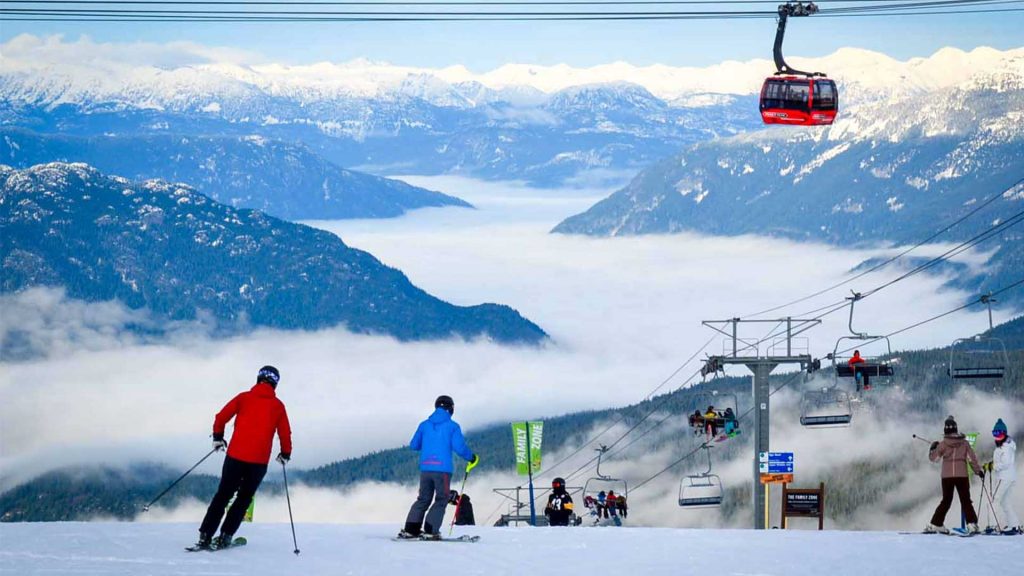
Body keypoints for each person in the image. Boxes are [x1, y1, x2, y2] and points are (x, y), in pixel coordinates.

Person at [195, 366, 291, 550]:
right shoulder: (278, 406)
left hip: (235, 457)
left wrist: (217, 437)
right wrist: (285, 453)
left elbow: (221, 417)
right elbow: (285, 433)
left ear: (258, 379)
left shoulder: (243, 398)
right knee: (243, 498)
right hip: (258, 462)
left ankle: (205, 536)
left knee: (223, 495)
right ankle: (225, 537)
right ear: (275, 384)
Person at [399, 395, 479, 539]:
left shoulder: (424, 425)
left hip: (425, 469)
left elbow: (414, 445)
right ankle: (431, 531)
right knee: (441, 499)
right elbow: (459, 447)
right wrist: (472, 457)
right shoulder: (453, 426)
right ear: (451, 409)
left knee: (423, 499)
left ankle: (411, 530)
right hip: (442, 471)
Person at [926, 415, 983, 534]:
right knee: (966, 500)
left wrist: (933, 448)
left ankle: (936, 524)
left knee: (946, 500)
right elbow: (971, 459)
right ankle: (972, 524)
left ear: (945, 430)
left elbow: (934, 459)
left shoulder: (942, 444)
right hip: (962, 476)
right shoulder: (964, 443)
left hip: (947, 477)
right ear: (956, 429)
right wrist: (978, 471)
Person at [984, 418, 1020, 534]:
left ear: (1004, 433)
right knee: (1005, 502)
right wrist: (991, 465)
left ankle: (993, 526)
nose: (997, 436)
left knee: (993, 500)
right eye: (995, 433)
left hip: (1003, 478)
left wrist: (992, 466)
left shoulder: (1005, 447)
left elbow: (1005, 463)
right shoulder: (1006, 445)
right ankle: (1014, 525)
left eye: (999, 433)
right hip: (1010, 477)